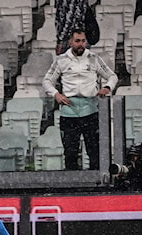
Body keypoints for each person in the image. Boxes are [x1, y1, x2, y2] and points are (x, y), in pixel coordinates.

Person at [42, 29, 118, 170]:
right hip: (69, 113)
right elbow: (47, 81)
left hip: (91, 111)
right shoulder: (61, 60)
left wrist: (107, 88)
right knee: (70, 153)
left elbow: (112, 76)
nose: (81, 44)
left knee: (94, 152)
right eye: (77, 41)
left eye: (83, 41)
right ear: (70, 42)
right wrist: (56, 94)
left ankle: (96, 185)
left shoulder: (94, 58)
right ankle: (73, 186)